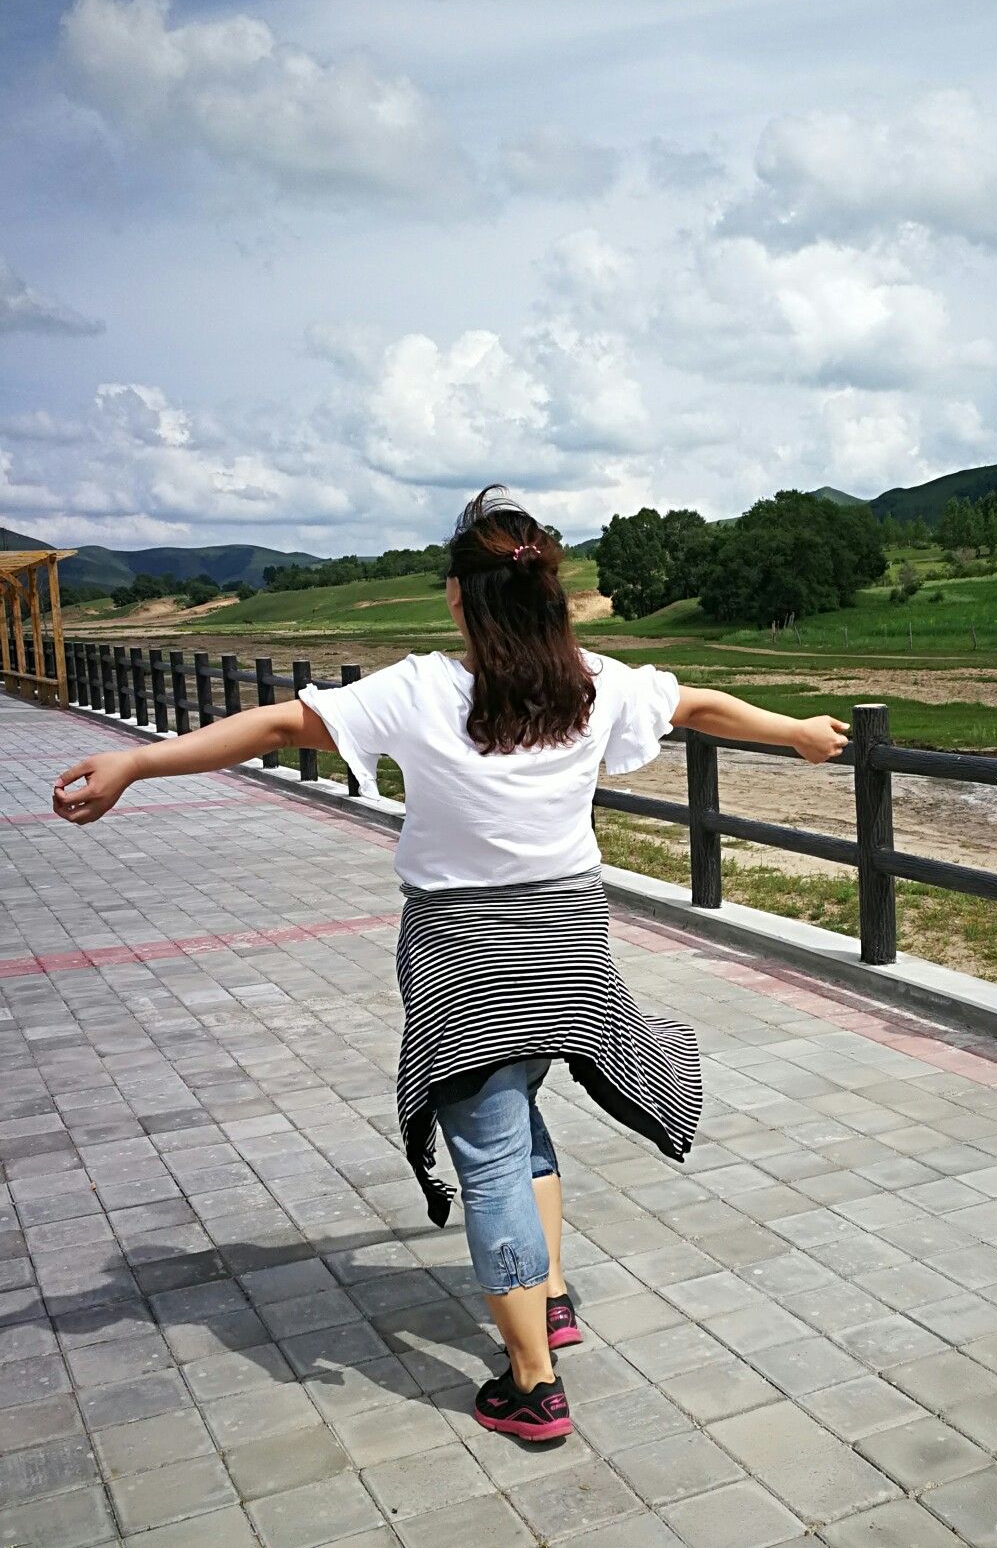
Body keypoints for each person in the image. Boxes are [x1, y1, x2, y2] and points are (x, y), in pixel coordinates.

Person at [52, 485, 848, 1444]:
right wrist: (798, 733)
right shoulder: (591, 684)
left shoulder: (422, 688)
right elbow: (704, 703)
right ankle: (547, 1299)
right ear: (549, 600)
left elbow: (272, 726)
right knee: (520, 1116)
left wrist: (137, 765)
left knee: (491, 1155)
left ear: (460, 599)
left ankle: (533, 1382)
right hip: (570, 941)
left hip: (461, 955)